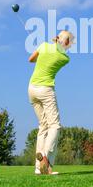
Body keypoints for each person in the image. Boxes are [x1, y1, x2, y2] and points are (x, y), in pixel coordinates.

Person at [28, 30, 74, 175]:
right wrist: (57, 45)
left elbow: (31, 59)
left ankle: (38, 168)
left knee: (43, 126)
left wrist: (49, 45)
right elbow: (61, 50)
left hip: (31, 89)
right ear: (66, 43)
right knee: (55, 126)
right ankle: (46, 160)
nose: (71, 45)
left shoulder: (43, 46)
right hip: (45, 90)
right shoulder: (65, 58)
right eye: (70, 42)